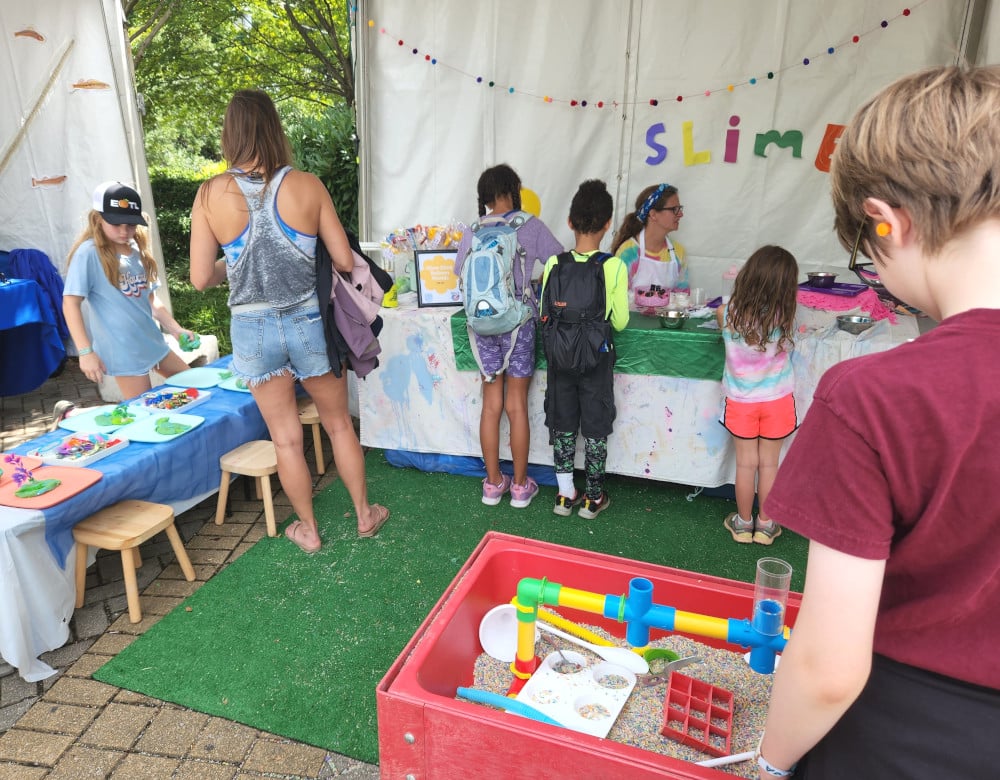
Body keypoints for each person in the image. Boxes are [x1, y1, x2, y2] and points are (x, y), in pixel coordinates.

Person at [756, 65, 1000, 779]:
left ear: (886, 221)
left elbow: (829, 666)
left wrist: (769, 766)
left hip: (907, 733)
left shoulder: (870, 397)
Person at [189, 89, 388, 554]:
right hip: (307, 321)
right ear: (273, 128)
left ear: (230, 134)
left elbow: (200, 277)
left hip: (251, 329)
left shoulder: (209, 194)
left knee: (285, 439)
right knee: (338, 423)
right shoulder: (306, 184)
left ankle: (309, 531)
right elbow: (342, 260)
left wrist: (235, 263)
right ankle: (364, 515)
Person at [453, 164, 563, 508]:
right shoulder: (529, 225)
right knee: (516, 405)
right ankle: (519, 487)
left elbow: (459, 271)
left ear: (484, 197)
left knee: (491, 406)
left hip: (482, 325)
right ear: (513, 189)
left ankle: (492, 484)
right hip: (519, 325)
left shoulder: (473, 230)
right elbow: (559, 262)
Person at [540, 179, 629, 518]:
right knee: (595, 427)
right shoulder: (614, 266)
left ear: (569, 221)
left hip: (560, 360)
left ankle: (564, 496)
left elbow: (543, 315)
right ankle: (592, 498)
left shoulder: (554, 263)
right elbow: (619, 322)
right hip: (596, 360)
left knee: (562, 425)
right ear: (608, 224)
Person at [62, 182, 196, 401]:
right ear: (98, 219)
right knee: (145, 412)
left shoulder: (137, 249)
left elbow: (152, 301)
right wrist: (85, 352)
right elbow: (70, 304)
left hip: (150, 342)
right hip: (122, 350)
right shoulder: (88, 253)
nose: (125, 232)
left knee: (192, 388)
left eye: (131, 225)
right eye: (116, 224)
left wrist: (176, 329)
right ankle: (69, 414)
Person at [716, 245, 799, 546]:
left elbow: (723, 324)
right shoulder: (785, 317)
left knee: (745, 465)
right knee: (769, 465)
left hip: (741, 402)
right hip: (777, 400)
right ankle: (765, 525)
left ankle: (742, 523)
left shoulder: (727, 313)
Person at [610, 183, 688, 301]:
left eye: (680, 208)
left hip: (666, 319)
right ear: (653, 214)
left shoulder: (678, 252)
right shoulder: (628, 253)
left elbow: (683, 297)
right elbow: (616, 300)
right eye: (674, 209)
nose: (681, 214)